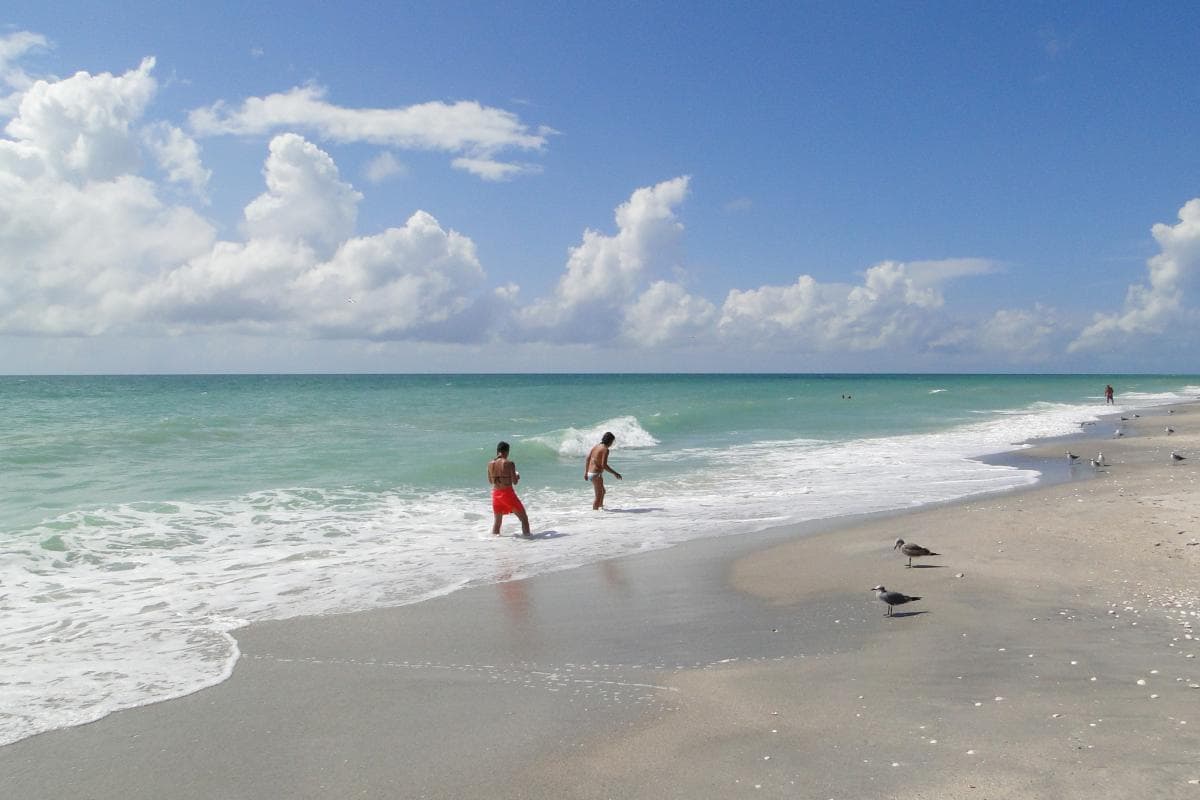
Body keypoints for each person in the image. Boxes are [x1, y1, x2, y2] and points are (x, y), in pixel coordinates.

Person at [488, 441, 531, 537]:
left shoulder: (490, 464)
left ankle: (492, 543)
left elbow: (491, 481)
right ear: (507, 451)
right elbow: (515, 482)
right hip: (507, 494)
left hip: (496, 494)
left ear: (497, 451)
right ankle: (529, 541)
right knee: (524, 519)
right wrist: (517, 475)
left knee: (497, 523)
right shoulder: (509, 463)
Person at [584, 431, 622, 510]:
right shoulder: (605, 449)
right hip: (596, 474)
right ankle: (595, 513)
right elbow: (603, 465)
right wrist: (615, 473)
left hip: (590, 473)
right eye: (612, 441)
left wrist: (586, 472)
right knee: (598, 495)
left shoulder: (596, 446)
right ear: (610, 441)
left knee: (602, 492)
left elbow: (588, 458)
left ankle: (601, 509)